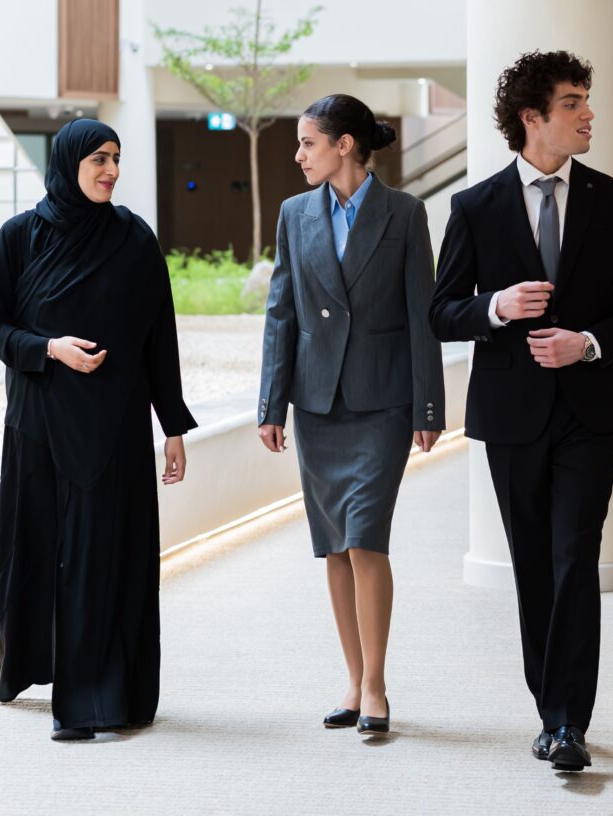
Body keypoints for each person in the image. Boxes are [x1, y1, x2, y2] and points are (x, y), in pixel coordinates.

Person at [429, 51, 613, 772]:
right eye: (572, 103)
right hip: (511, 415)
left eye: (586, 100)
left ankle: (568, 723)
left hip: (591, 413)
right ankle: (549, 707)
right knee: (533, 565)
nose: (588, 113)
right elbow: (441, 312)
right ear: (532, 118)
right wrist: (496, 307)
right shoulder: (475, 207)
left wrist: (587, 342)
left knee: (574, 559)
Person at [0, 119, 197, 741]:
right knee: (41, 550)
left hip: (114, 424)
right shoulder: (20, 237)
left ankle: (95, 700)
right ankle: (34, 667)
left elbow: (159, 338)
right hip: (39, 421)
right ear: (69, 161)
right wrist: (49, 348)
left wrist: (173, 426)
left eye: (116, 158)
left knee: (102, 556)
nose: (111, 170)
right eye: (99, 158)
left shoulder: (133, 238)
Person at [257, 94, 445, 735]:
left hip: (383, 402)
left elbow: (422, 313)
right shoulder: (294, 214)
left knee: (366, 538)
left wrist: (428, 404)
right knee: (334, 546)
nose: (298, 155)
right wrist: (271, 404)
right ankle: (352, 678)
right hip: (317, 403)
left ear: (344, 145)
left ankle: (376, 684)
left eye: (307, 143)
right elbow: (281, 311)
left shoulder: (404, 213)